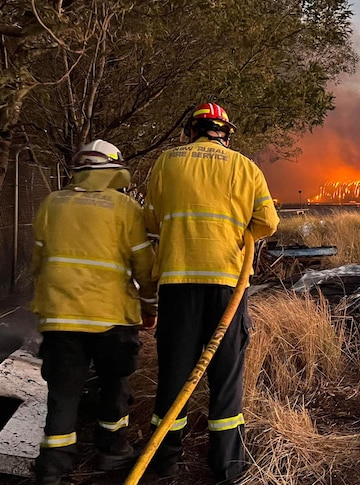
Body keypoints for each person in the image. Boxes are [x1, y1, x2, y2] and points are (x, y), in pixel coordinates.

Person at [143, 102, 279, 483]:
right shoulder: (245, 167)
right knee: (226, 373)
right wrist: (241, 232)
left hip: (177, 283)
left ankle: (165, 460)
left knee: (174, 373)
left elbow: (151, 218)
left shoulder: (167, 163)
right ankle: (228, 466)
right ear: (226, 134)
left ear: (191, 131)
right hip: (227, 287)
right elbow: (268, 222)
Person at [30, 140, 158, 485]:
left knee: (63, 390)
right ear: (114, 172)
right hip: (111, 317)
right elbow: (144, 267)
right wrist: (150, 308)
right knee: (114, 382)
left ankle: (53, 466)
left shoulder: (51, 204)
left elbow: (38, 262)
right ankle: (112, 449)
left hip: (60, 317)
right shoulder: (125, 208)